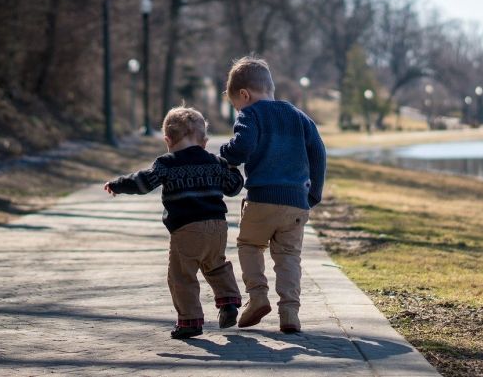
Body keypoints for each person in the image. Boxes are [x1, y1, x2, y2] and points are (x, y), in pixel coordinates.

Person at [104, 106, 243, 339]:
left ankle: (190, 321)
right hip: (217, 227)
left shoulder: (166, 163)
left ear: (167, 140)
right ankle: (228, 303)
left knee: (181, 275)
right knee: (216, 265)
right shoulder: (215, 162)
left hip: (187, 229)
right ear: (204, 141)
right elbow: (233, 187)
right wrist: (233, 169)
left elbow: (143, 183)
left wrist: (118, 184)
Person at [220, 56, 327, 333]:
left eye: (236, 105)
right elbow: (318, 153)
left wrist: (225, 154)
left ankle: (257, 297)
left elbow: (241, 148)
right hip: (295, 203)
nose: (238, 110)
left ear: (245, 95)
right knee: (289, 256)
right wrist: (313, 194)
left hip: (262, 199)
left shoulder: (250, 114)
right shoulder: (299, 116)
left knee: (249, 245)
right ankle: (290, 312)